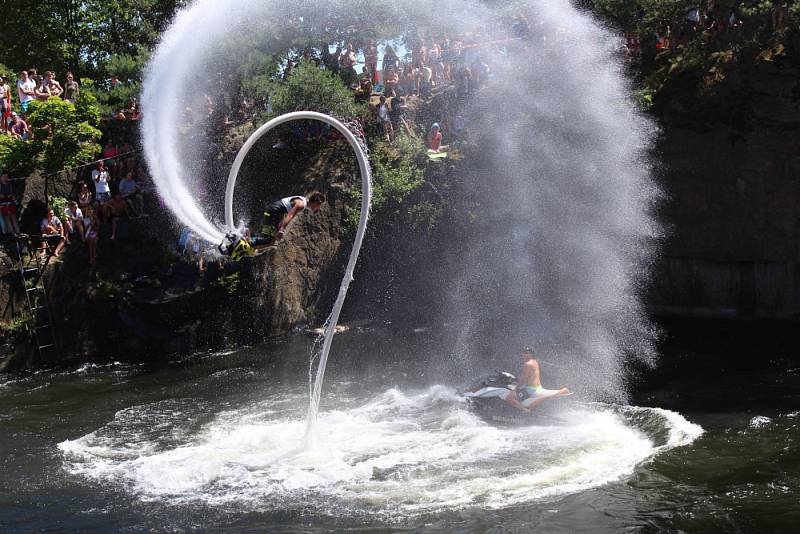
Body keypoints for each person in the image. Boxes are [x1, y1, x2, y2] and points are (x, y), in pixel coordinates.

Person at [503, 348, 571, 412]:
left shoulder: (527, 364)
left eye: (526, 353)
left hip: (531, 390)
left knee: (509, 398)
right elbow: (530, 377)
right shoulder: (535, 362)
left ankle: (525, 410)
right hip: (537, 387)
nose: (524, 354)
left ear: (531, 354)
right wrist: (517, 380)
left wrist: (516, 388)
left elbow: (524, 379)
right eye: (523, 352)